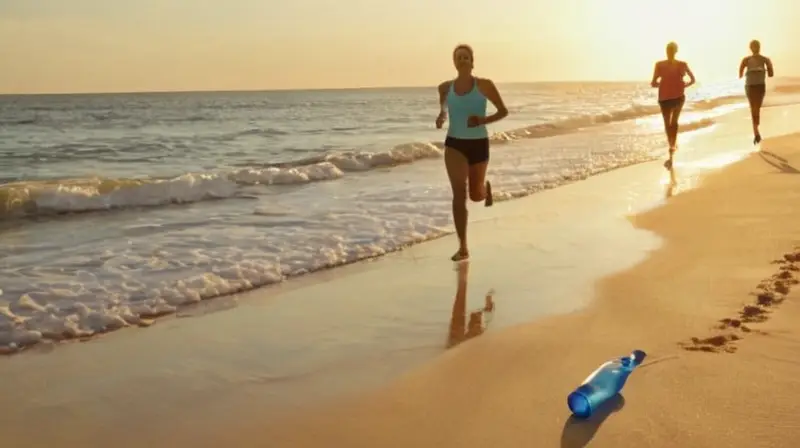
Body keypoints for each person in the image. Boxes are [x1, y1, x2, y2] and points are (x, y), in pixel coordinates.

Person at [435, 44, 508, 262]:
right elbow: (444, 109)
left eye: (466, 57)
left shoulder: (485, 85)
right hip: (454, 144)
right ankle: (463, 247)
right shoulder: (444, 88)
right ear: (454, 62)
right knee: (459, 193)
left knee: (475, 196)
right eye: (459, 57)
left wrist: (482, 120)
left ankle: (485, 190)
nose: (463, 60)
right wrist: (441, 117)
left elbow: (503, 111)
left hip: (479, 144)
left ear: (472, 61)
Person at [651, 42, 696, 170]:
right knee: (673, 122)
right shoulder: (682, 65)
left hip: (665, 98)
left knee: (668, 124)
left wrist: (664, 85)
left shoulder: (659, 65)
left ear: (667, 51)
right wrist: (682, 85)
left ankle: (671, 148)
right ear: (676, 51)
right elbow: (693, 80)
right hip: (677, 96)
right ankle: (672, 147)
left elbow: (653, 83)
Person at [739, 39, 774, 145]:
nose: (755, 48)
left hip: (760, 86)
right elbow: (740, 74)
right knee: (753, 108)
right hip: (750, 86)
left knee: (757, 109)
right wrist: (749, 71)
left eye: (756, 46)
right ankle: (756, 133)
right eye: (753, 46)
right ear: (750, 48)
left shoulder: (765, 59)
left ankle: (756, 129)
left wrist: (765, 69)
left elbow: (771, 74)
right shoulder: (746, 59)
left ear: (759, 47)